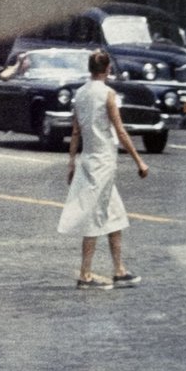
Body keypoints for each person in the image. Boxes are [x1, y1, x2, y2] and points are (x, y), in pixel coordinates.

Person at [57, 50, 149, 289]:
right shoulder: (108, 94)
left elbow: (75, 131)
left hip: (88, 159)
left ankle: (119, 270)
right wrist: (139, 161)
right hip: (103, 163)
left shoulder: (80, 93)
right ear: (107, 69)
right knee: (95, 217)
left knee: (114, 215)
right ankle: (85, 275)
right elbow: (120, 130)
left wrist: (71, 162)